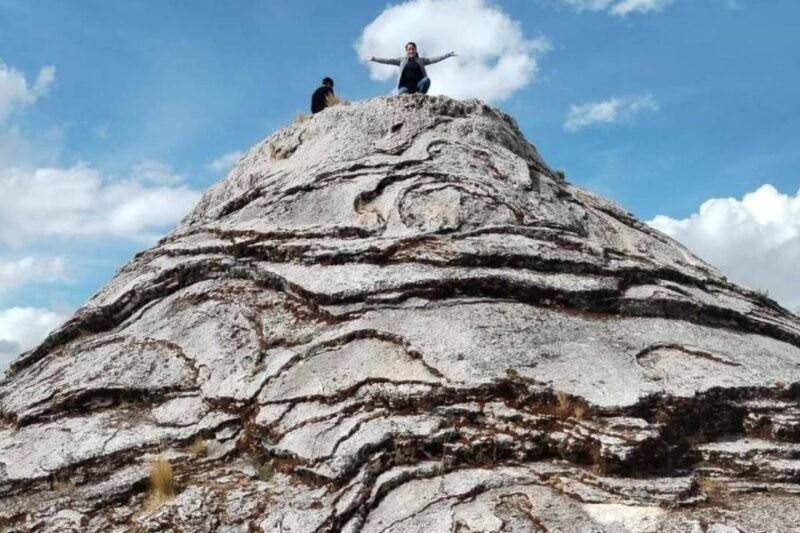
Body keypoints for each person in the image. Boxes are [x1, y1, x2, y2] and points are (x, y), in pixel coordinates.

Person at [369, 42, 456, 95]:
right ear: (406, 51)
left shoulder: (421, 61)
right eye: (409, 49)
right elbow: (388, 61)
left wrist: (448, 55)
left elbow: (435, 59)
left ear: (415, 50)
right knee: (403, 95)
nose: (411, 51)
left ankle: (421, 95)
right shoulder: (401, 60)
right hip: (405, 87)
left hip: (417, 86)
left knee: (426, 80)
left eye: (412, 49)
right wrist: (375, 59)